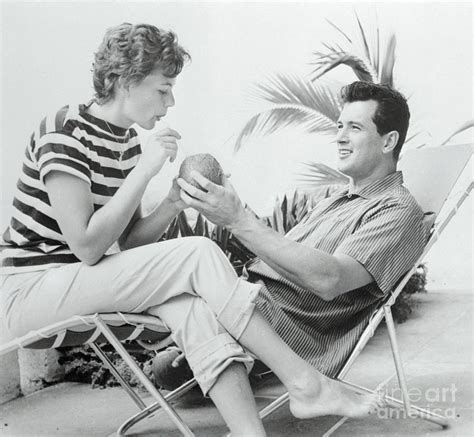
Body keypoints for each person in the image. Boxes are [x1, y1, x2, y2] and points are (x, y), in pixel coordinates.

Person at [0, 24, 383, 437]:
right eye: (163, 90)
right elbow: (88, 246)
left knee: (193, 306)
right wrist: (146, 169)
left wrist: (170, 203)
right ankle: (305, 383)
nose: (171, 102)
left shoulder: (127, 141)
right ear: (124, 81)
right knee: (198, 251)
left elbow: (128, 242)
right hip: (28, 290)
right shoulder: (64, 131)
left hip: (78, 282)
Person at [178, 81, 429, 380]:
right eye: (339, 127)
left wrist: (237, 221)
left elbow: (329, 279)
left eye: (355, 128)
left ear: (388, 143)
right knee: (172, 276)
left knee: (190, 256)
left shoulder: (397, 210)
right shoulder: (334, 201)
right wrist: (231, 211)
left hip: (273, 325)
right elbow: (283, 259)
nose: (340, 138)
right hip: (244, 302)